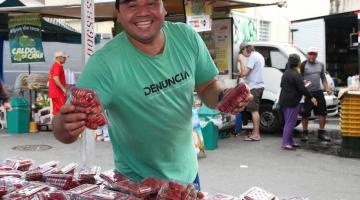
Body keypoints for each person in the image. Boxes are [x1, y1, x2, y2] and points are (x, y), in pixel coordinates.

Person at [52, 0, 252, 186]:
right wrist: (65, 124)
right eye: (132, 5)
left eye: (151, 2)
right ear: (118, 14)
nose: (142, 12)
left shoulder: (187, 37)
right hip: (136, 184)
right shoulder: (103, 64)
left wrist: (224, 96)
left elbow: (208, 86)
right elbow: (63, 129)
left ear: (163, 7)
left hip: (188, 176)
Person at [279, 54, 317, 150]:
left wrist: (297, 84)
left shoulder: (286, 73)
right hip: (292, 101)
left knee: (289, 122)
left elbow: (282, 84)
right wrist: (312, 97)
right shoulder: (296, 74)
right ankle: (285, 143)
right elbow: (302, 88)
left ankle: (290, 141)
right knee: (290, 123)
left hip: (284, 100)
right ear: (298, 63)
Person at [300, 47, 332, 142]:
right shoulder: (303, 65)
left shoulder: (321, 65)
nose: (312, 56)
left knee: (323, 113)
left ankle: (321, 132)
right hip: (307, 93)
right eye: (310, 53)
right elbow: (298, 78)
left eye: (314, 54)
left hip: (318, 92)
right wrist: (303, 84)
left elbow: (323, 77)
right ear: (307, 54)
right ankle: (305, 133)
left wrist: (327, 88)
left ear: (316, 55)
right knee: (305, 114)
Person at [238, 43, 265, 141]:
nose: (243, 54)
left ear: (246, 49)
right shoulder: (259, 55)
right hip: (258, 86)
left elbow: (244, 73)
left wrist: (241, 60)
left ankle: (256, 134)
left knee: (254, 110)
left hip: (255, 87)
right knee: (254, 110)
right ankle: (254, 133)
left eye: (242, 51)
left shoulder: (253, 57)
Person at [49, 51, 68, 116]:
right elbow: (55, 78)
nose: (65, 59)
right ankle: (61, 125)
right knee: (63, 111)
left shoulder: (55, 65)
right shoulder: (57, 66)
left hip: (54, 93)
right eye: (64, 58)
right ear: (59, 58)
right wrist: (63, 88)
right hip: (58, 93)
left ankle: (56, 125)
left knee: (56, 112)